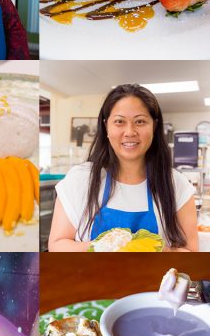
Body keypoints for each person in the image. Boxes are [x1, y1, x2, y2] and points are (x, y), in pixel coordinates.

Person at [49, 84, 197, 251]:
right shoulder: (80, 179)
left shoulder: (175, 183)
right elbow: (57, 245)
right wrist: (107, 246)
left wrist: (155, 249)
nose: (129, 132)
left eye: (140, 121)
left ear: (154, 126)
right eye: (119, 121)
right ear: (106, 126)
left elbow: (191, 252)